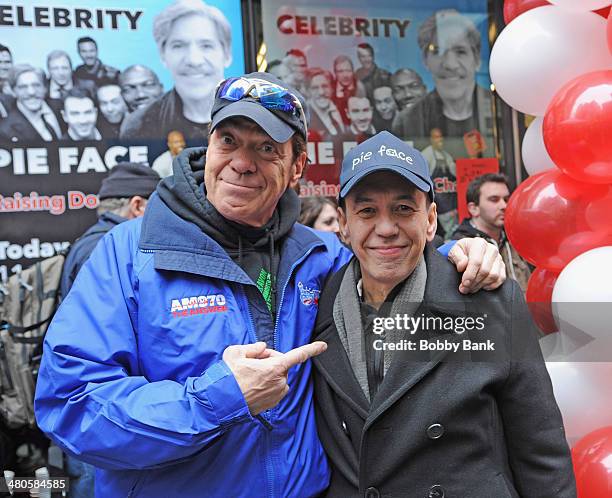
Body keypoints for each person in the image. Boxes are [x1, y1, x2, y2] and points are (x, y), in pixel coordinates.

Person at [35, 71, 505, 498]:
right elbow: (71, 405)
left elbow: (387, 263)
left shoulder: (319, 256)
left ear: (297, 167)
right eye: (229, 141)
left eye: (266, 148)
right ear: (208, 147)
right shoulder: (130, 254)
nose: (242, 163)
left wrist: (456, 256)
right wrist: (216, 398)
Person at [312, 131, 576, 498]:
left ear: (431, 219)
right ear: (343, 223)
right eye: (367, 210)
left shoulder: (489, 301)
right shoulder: (316, 303)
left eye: (404, 209)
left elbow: (541, 448)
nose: (386, 229)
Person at [59, 162, 160, 498]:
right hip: (103, 413)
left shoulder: (90, 242)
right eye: (161, 207)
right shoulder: (110, 248)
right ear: (138, 206)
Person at [120, 0, 232, 141]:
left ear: (227, 54)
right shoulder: (137, 126)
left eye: (206, 45)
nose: (194, 60)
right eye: (179, 46)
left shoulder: (255, 117)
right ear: (163, 55)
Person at [392, 10, 494, 158]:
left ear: (477, 60)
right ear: (425, 61)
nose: (450, 64)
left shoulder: (498, 109)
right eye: (438, 51)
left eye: (460, 51)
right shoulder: (406, 121)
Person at [452, 173, 532, 291]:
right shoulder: (460, 247)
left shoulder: (516, 240)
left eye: (506, 199)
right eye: (494, 200)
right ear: (474, 209)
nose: (504, 205)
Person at [0, 65, 62, 143]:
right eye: (23, 87)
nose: (31, 92)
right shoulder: (5, 130)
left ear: (45, 88)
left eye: (36, 85)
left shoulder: (57, 110)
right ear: (14, 91)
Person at [421, 127, 458, 238]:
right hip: (437, 206)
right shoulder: (426, 155)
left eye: (441, 137)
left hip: (450, 205)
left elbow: (454, 175)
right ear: (431, 139)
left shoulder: (447, 156)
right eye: (436, 137)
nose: (440, 139)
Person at [305, 68, 345, 141]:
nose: (321, 92)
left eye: (325, 86)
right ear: (308, 91)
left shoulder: (343, 109)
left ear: (332, 88)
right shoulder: (304, 115)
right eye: (315, 88)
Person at [331, 55, 366, 125]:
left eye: (348, 70)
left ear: (353, 71)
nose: (345, 75)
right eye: (340, 71)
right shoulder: (330, 89)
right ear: (335, 73)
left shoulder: (361, 87)